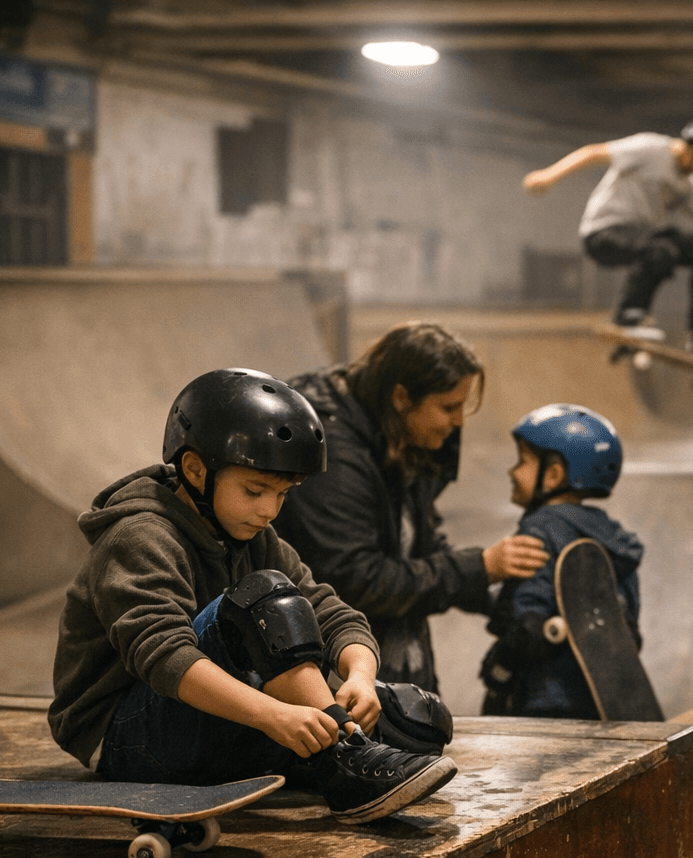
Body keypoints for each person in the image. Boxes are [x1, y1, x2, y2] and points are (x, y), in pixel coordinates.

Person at [48, 368, 457, 824]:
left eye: (283, 494)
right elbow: (166, 657)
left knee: (419, 720)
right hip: (124, 733)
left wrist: (360, 676)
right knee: (265, 596)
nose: (268, 509)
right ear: (196, 471)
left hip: (204, 714)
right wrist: (273, 716)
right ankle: (338, 763)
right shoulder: (139, 536)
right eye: (254, 490)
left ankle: (330, 746)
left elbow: (330, 611)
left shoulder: (251, 531)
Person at [274, 322, 549, 696]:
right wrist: (478, 566)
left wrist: (504, 599)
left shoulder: (400, 431)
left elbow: (416, 542)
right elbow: (356, 580)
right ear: (402, 397)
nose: (458, 421)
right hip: (337, 678)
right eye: (449, 407)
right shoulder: (335, 455)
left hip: (400, 660)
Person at [522, 119, 693, 353]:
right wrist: (549, 175)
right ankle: (629, 315)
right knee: (660, 250)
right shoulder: (649, 148)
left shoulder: (689, 182)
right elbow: (594, 153)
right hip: (603, 232)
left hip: (645, 236)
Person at [480, 404, 643, 719]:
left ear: (553, 474)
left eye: (523, 461)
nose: (513, 472)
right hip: (600, 701)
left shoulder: (541, 528)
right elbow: (629, 630)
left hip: (542, 701)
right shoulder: (614, 538)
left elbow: (530, 625)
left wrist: (500, 664)